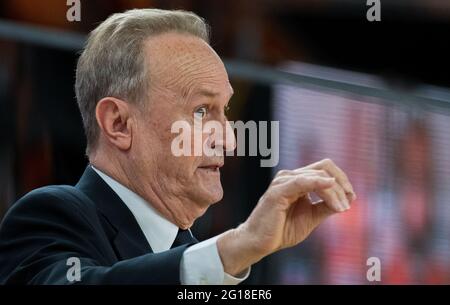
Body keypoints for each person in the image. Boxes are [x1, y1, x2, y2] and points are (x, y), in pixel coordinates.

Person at [0, 8, 356, 284]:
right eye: (201, 111)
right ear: (119, 124)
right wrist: (239, 245)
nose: (230, 139)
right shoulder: (49, 216)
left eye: (225, 111)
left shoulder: (192, 251)